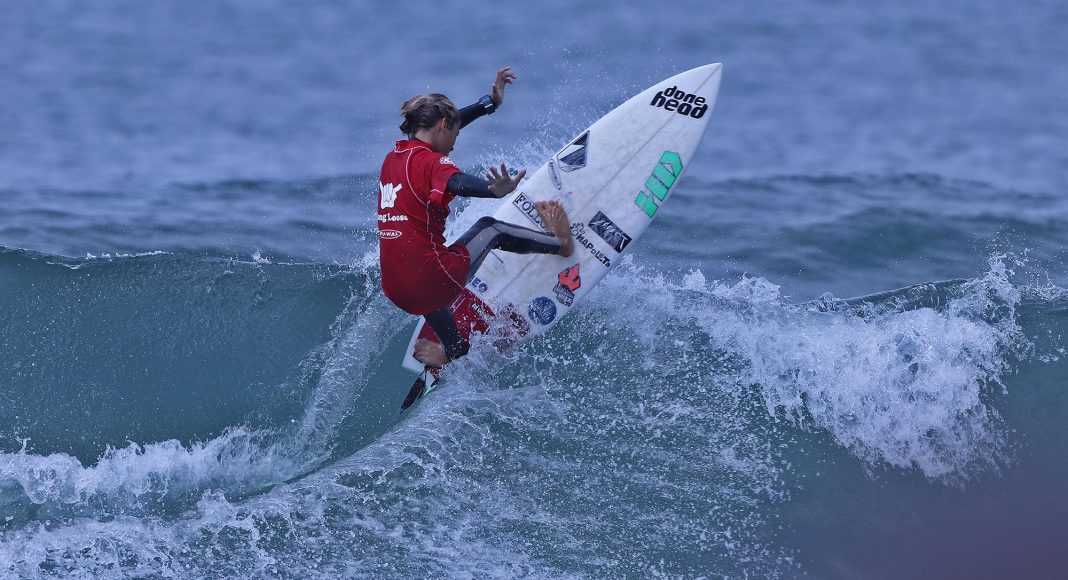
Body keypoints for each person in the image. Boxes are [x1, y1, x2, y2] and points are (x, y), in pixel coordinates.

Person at [377, 67, 574, 368]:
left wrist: (489, 104)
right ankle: (560, 243)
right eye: (454, 132)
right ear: (443, 125)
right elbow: (456, 181)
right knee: (489, 228)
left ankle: (454, 347)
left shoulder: (394, 157)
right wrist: (493, 190)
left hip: (398, 290)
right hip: (432, 283)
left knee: (419, 259)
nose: (456, 140)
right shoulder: (432, 162)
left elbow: (450, 126)